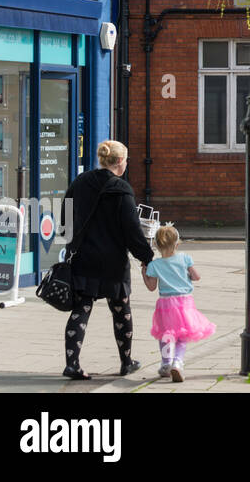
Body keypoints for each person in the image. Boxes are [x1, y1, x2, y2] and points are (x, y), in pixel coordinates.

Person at [60, 140, 155, 380]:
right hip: (113, 261)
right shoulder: (121, 189)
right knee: (121, 309)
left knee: (81, 308)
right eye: (126, 159)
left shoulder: (80, 182)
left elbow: (64, 218)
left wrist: (72, 242)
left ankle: (73, 364)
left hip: (83, 257)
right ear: (120, 162)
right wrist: (147, 258)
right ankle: (126, 362)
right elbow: (132, 231)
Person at [142, 225, 215, 381]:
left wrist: (144, 272)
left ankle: (166, 363)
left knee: (166, 335)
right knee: (182, 335)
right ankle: (178, 362)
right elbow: (196, 277)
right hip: (185, 302)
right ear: (177, 243)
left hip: (165, 304)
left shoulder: (154, 265)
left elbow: (151, 287)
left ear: (157, 245)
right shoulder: (185, 258)